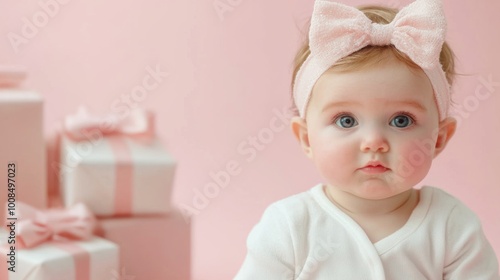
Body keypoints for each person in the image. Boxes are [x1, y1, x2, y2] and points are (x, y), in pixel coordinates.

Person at [234, 0, 500, 279]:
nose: (374, 142)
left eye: (401, 120)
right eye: (346, 120)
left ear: (438, 139)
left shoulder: (452, 226)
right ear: (307, 138)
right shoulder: (288, 228)